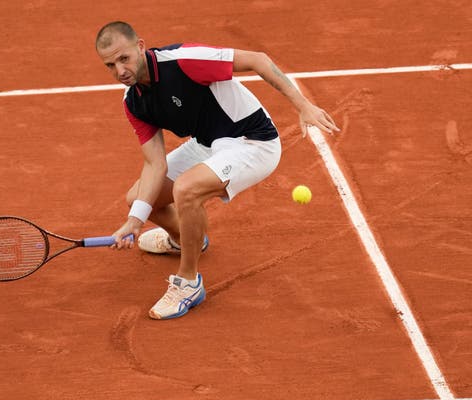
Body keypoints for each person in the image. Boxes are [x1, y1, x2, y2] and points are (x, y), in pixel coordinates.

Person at [95, 21, 339, 320]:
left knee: (186, 189)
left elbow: (258, 59)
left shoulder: (184, 61)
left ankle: (188, 283)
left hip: (253, 142)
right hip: (208, 143)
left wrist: (303, 105)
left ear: (141, 47)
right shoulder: (133, 101)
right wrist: (135, 221)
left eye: (124, 59)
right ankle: (183, 240)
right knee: (139, 200)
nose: (120, 71)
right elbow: (154, 164)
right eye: (110, 64)